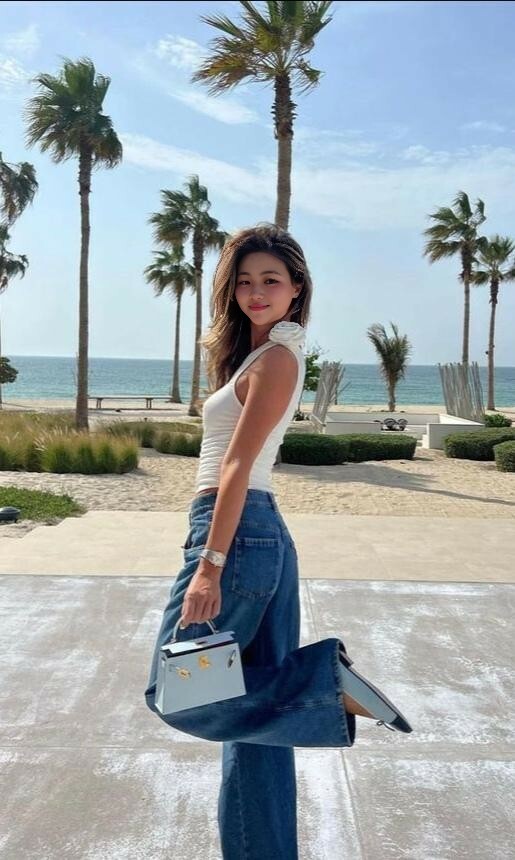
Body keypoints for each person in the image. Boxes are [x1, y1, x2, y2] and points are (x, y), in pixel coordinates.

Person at [144, 223, 413, 860]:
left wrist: (209, 565)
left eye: (271, 280)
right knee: (255, 735)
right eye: (244, 281)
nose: (256, 292)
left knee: (173, 692)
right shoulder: (263, 355)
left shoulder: (277, 360)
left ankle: (321, 683)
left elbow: (236, 466)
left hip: (235, 534)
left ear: (297, 289)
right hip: (258, 536)